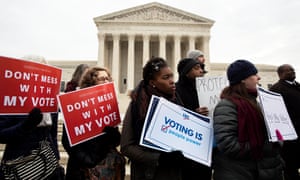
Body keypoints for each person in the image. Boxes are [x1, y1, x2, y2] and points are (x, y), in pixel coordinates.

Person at [213, 59, 284, 180]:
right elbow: (228, 144)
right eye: (254, 74)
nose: (259, 77)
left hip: (263, 169)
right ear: (243, 79)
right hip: (241, 172)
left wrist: (278, 137)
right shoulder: (226, 106)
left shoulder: (255, 102)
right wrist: (263, 145)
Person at [120, 57, 185, 180]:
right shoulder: (137, 105)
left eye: (172, 76)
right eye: (166, 78)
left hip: (173, 173)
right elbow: (126, 146)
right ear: (152, 82)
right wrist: (158, 158)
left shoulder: (177, 101)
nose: (172, 81)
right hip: (147, 174)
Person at [0, 57, 63, 179]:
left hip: (48, 166)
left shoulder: (50, 100)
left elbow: (53, 134)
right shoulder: (10, 100)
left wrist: (57, 160)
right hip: (20, 167)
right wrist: (25, 126)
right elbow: (1, 134)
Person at [62, 66, 125, 180]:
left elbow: (115, 142)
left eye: (108, 79)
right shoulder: (77, 104)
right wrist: (87, 160)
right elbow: (67, 141)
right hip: (80, 170)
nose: (106, 81)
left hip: (104, 170)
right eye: (102, 79)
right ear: (91, 81)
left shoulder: (109, 106)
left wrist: (114, 135)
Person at [175, 58, 212, 180]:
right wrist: (193, 114)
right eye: (196, 68)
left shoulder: (204, 90)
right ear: (186, 72)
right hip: (185, 148)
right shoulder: (175, 91)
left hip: (204, 146)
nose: (201, 71)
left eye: (201, 68)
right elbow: (174, 117)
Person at [269, 64, 300, 180]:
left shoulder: (297, 86)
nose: (292, 72)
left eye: (293, 69)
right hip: (290, 137)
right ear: (280, 74)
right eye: (288, 71)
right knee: (291, 168)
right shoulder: (276, 89)